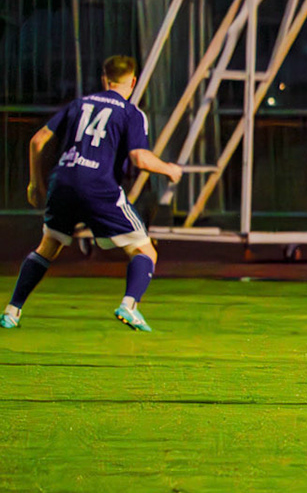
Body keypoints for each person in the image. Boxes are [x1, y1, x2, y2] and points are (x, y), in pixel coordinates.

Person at [4, 56, 182, 332]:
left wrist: (35, 185)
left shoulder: (79, 104)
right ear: (133, 82)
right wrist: (169, 169)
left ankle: (11, 311)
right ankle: (129, 305)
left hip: (62, 180)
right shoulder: (130, 113)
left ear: (104, 80)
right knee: (145, 250)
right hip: (98, 186)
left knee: (48, 246)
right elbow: (140, 159)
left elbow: (37, 140)